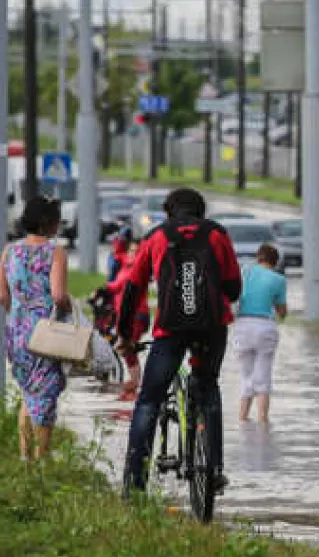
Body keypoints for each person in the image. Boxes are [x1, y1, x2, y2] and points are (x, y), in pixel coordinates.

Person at [116, 188, 242, 496]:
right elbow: (234, 287)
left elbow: (133, 289)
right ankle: (213, 470)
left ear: (168, 212)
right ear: (201, 212)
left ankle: (134, 484)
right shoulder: (217, 234)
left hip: (170, 329)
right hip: (212, 328)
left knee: (149, 401)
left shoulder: (156, 237)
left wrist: (125, 335)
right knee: (208, 388)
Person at [0, 196, 70, 461]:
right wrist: (70, 311)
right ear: (48, 222)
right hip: (44, 334)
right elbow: (59, 295)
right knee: (45, 395)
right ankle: (42, 460)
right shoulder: (55, 253)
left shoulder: (10, 251)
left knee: (28, 392)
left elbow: (2, 296)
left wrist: (20, 313)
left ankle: (25, 457)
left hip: (16, 331)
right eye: (57, 220)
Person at [234, 243, 287, 426]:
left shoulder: (245, 272)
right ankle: (263, 420)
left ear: (258, 258)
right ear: (275, 262)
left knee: (246, 375)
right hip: (265, 327)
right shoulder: (279, 280)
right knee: (263, 375)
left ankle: (242, 418)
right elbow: (282, 312)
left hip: (242, 325)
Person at [104, 239, 150, 400]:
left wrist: (103, 288)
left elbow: (117, 285)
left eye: (136, 252)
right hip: (125, 315)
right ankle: (134, 382)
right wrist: (119, 241)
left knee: (127, 349)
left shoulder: (136, 270)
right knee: (126, 349)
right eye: (130, 250)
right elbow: (119, 254)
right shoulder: (126, 263)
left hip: (136, 315)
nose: (131, 254)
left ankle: (135, 383)